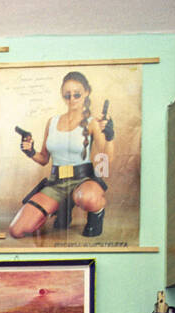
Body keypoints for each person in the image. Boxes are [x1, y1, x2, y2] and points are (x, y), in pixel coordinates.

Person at [8, 71, 114, 240]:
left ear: (86, 92)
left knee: (86, 197)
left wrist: (109, 137)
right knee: (17, 230)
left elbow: (106, 161)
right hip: (56, 183)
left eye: (77, 95)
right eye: (67, 95)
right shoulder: (52, 122)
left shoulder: (93, 123)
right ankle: (63, 206)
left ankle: (97, 213)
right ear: (62, 96)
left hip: (83, 181)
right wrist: (30, 152)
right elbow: (43, 159)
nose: (72, 99)